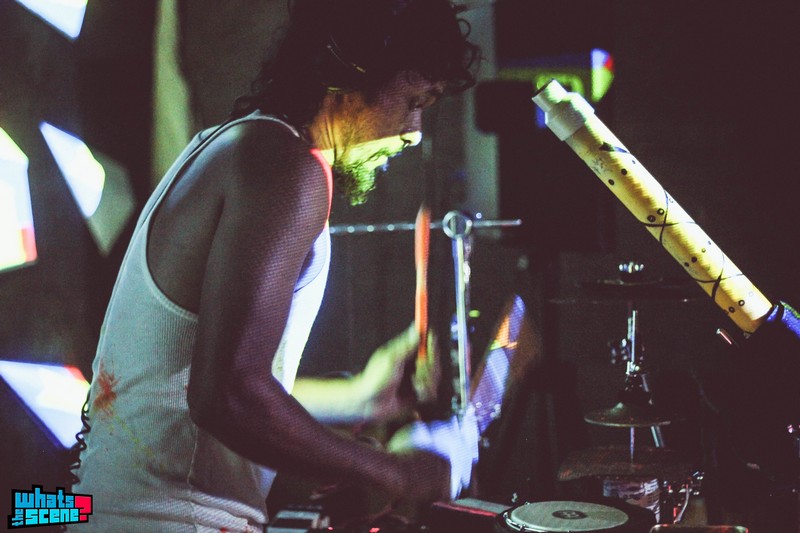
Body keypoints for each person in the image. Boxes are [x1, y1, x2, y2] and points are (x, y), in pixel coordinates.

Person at [70, 0, 481, 531]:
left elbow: (178, 387)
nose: (415, 130)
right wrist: (394, 473)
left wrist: (359, 397)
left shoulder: (234, 145)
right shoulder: (290, 167)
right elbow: (227, 396)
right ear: (349, 71)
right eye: (413, 101)